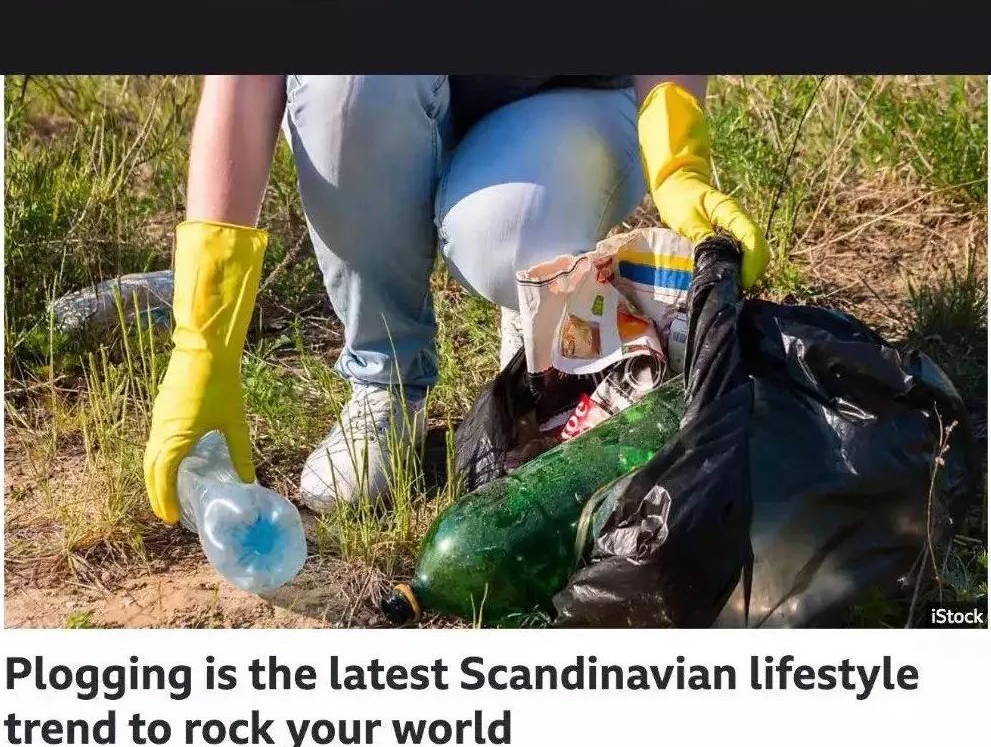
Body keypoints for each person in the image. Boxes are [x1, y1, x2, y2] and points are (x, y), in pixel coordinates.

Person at [143, 75, 770, 524]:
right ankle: (386, 384)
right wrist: (202, 343)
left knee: (511, 235)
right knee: (344, 89)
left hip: (567, 94)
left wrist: (677, 161)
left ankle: (536, 350)